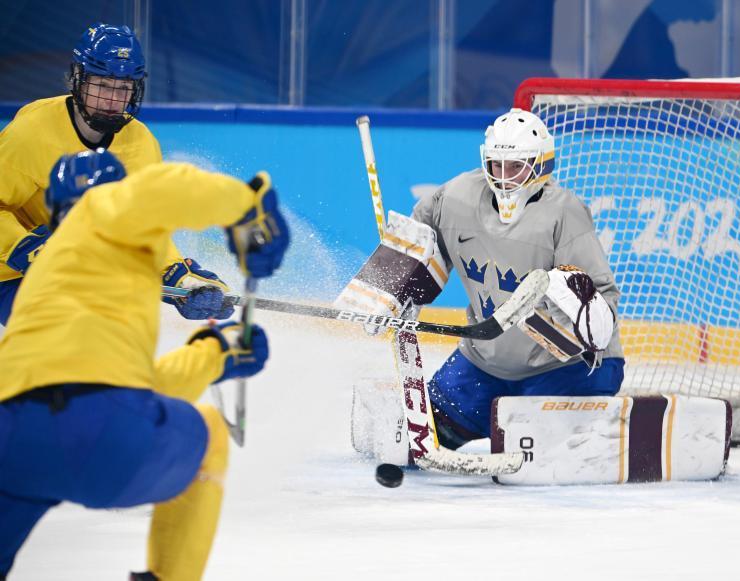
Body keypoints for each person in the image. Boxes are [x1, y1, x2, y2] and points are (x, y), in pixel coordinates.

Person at [0, 149, 290, 581]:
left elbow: (120, 390)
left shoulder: (43, 279)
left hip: (11, 437)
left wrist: (214, 354)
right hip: (104, 436)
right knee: (211, 432)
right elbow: (165, 188)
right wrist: (249, 206)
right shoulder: (104, 209)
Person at [337, 108, 624, 450]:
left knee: (532, 449)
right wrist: (389, 287)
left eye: (516, 166)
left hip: (565, 369)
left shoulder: (565, 213)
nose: (504, 177)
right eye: (496, 166)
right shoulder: (455, 197)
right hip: (484, 363)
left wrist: (582, 316)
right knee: (413, 441)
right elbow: (417, 239)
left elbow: (602, 303)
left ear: (541, 165)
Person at [0, 23, 230, 327]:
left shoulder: (141, 144)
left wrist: (179, 276)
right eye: (103, 85)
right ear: (78, 80)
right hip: (9, 273)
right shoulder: (30, 135)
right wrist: (24, 246)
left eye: (123, 88)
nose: (113, 99)